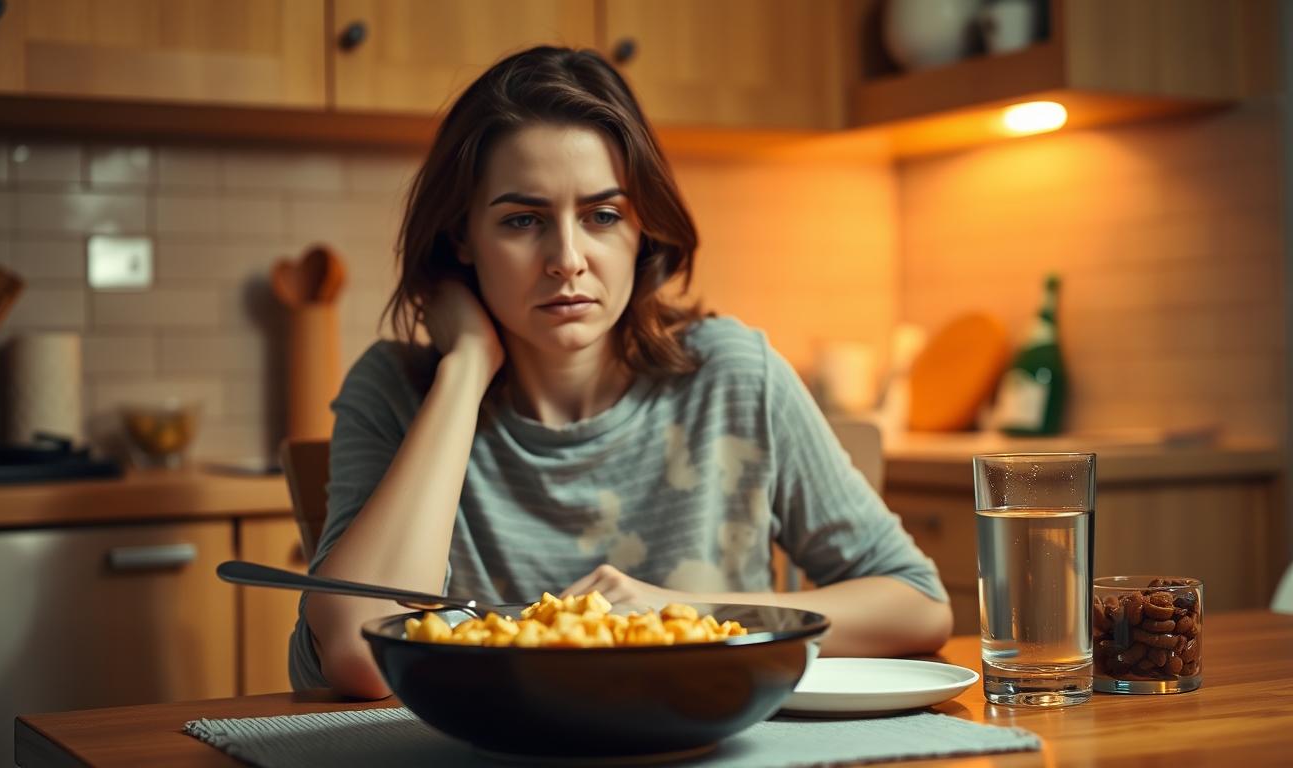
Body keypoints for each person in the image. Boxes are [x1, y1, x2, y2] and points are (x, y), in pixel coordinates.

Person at [290, 46, 951, 699]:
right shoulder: (397, 390)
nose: (567, 259)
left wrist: (681, 613)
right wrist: (464, 371)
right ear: (462, 237)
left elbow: (918, 603)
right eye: (523, 220)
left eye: (603, 216)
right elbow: (359, 652)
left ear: (643, 230)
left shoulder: (731, 374)